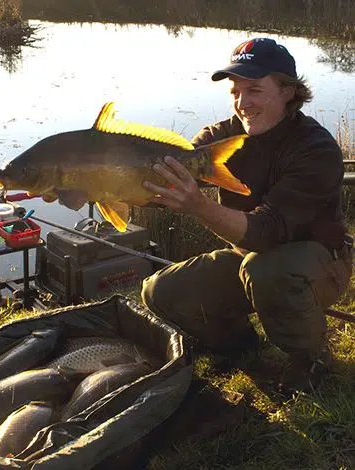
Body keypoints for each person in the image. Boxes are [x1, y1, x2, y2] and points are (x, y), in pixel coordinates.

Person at [140, 37, 353, 393]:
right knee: (158, 291)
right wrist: (98, 182)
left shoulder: (316, 149)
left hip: (319, 262)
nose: (242, 103)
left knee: (267, 270)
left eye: (254, 90)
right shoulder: (223, 136)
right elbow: (165, 178)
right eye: (235, 91)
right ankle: (242, 346)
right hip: (249, 257)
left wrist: (198, 205)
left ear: (288, 91)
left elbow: (265, 232)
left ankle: (311, 358)